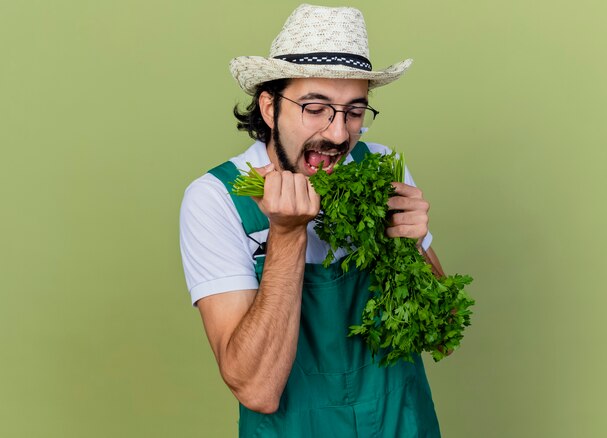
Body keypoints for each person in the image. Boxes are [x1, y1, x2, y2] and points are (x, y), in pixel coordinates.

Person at [180, 4, 445, 437]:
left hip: (401, 423)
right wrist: (286, 234)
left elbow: (439, 332)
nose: (339, 134)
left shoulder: (382, 168)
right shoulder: (217, 199)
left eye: (354, 112)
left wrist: (413, 246)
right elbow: (257, 389)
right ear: (269, 107)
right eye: (316, 107)